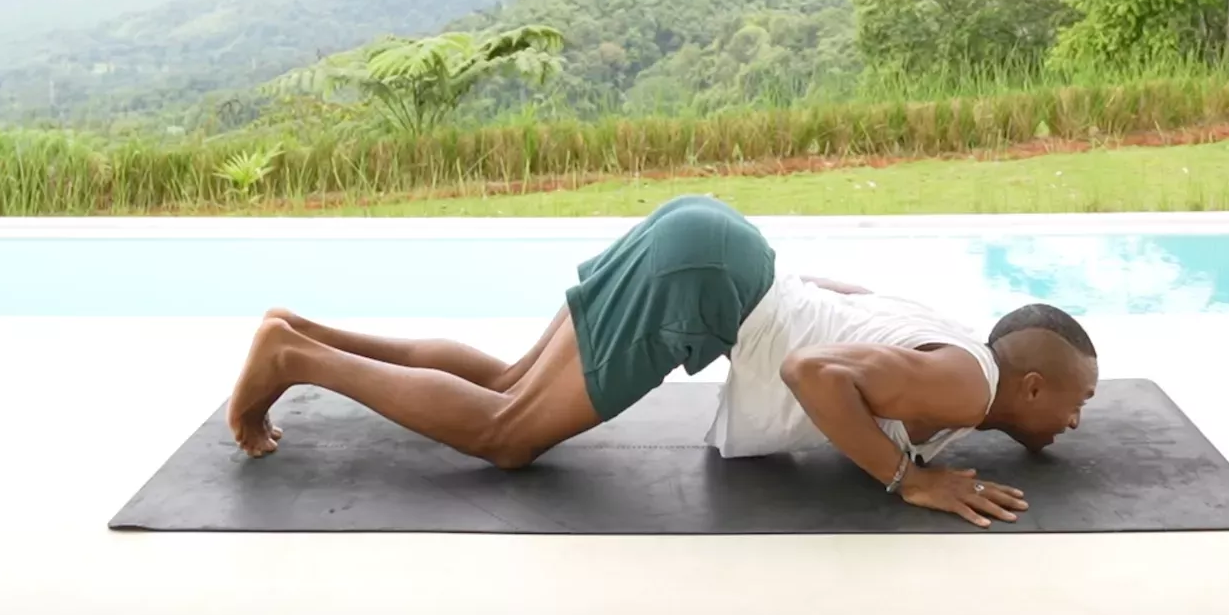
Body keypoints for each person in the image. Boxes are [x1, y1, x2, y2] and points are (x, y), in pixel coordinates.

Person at [226, 193, 1098, 528]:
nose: (1076, 418)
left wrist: (763, 307)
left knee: (502, 381)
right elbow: (813, 375)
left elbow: (841, 295)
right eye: (1074, 400)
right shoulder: (965, 382)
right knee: (506, 435)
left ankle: (297, 334)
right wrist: (905, 478)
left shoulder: (954, 338)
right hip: (704, 283)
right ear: (1029, 383)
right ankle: (299, 362)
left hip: (715, 243)